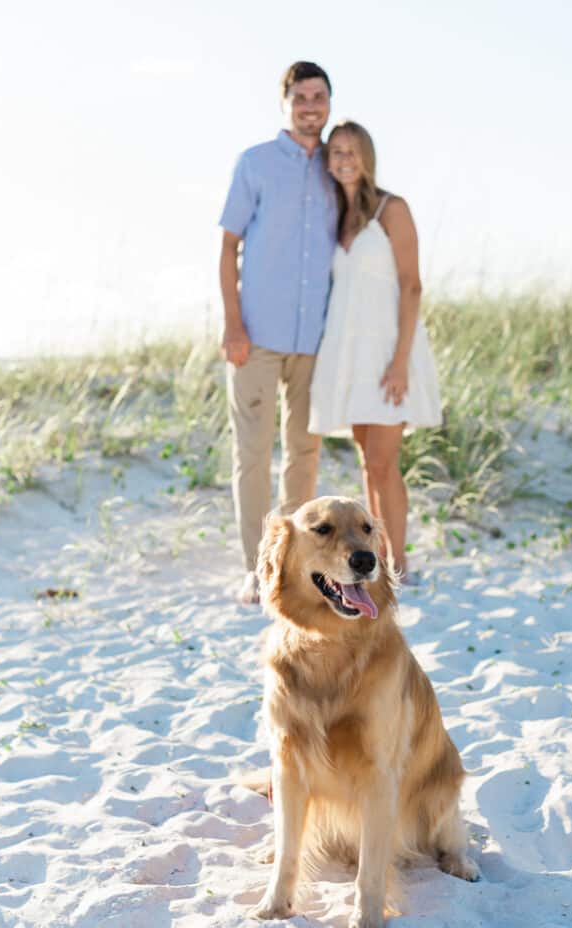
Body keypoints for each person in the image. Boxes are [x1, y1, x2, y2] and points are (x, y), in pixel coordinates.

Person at [219, 61, 337, 604]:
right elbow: (228, 247)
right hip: (257, 336)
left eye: (319, 97)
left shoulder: (340, 165)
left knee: (304, 455)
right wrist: (233, 324)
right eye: (301, 97)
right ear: (286, 102)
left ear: (329, 103)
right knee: (253, 455)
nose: (310, 106)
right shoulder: (257, 163)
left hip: (315, 339)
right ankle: (254, 566)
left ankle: (296, 566)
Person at [309, 121, 442, 580]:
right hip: (351, 356)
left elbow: (411, 286)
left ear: (367, 156)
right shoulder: (338, 216)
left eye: (352, 150)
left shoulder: (392, 208)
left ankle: (398, 562)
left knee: (386, 463)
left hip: (389, 351)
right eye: (336, 151)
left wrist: (400, 360)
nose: (344, 159)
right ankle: (379, 556)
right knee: (369, 464)